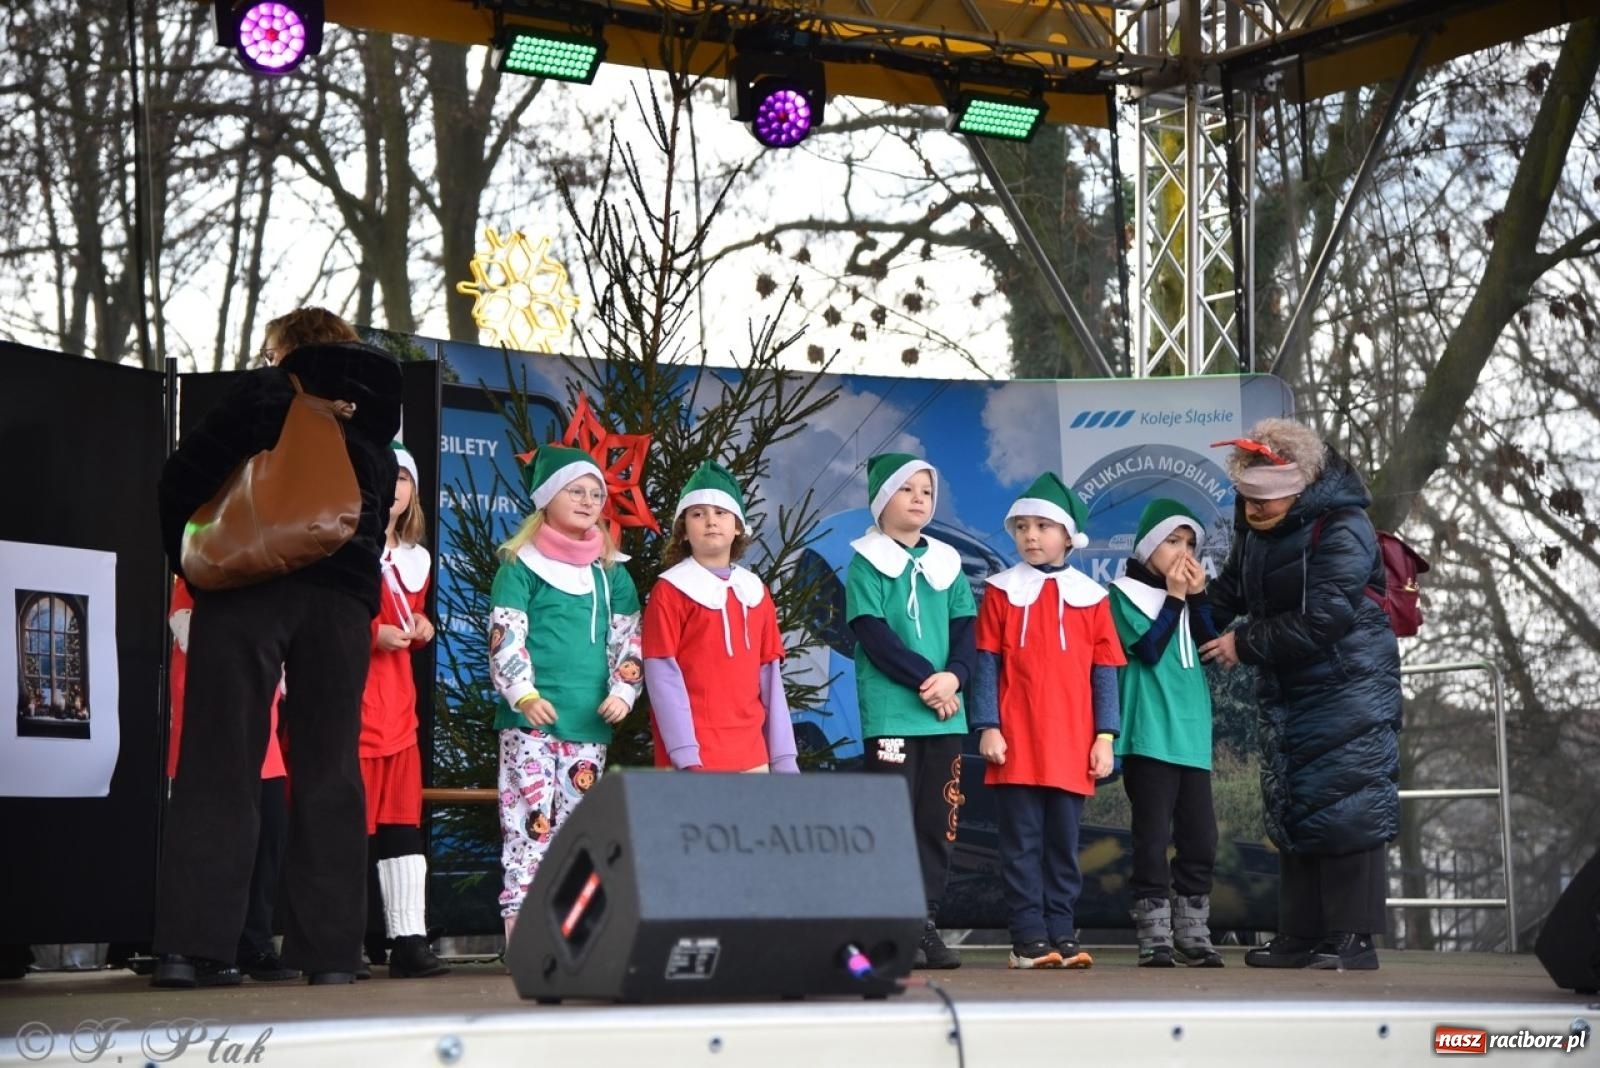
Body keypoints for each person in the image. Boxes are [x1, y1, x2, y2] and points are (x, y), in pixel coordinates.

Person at [153, 307, 402, 987]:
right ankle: (332, 956)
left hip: (247, 589)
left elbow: (183, 476)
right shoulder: (372, 426)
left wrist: (194, 560)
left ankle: (192, 948)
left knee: (219, 761)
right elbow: (373, 515)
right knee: (330, 769)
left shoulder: (265, 397)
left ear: (288, 351)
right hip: (343, 602)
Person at [1200, 419, 1401, 972]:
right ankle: (1301, 933)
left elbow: (1327, 616)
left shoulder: (1344, 526)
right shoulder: (1256, 530)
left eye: (1265, 501)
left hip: (1349, 684)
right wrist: (1185, 611)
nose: (1253, 512)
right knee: (1298, 801)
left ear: (1300, 485)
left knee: (1348, 802)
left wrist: (1244, 643)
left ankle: (1352, 938)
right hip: (1292, 687)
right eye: (1247, 500)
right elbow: (1230, 593)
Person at [488, 445, 643, 942]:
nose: (587, 500)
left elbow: (629, 641)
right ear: (548, 497)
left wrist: (623, 688)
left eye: (596, 493)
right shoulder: (519, 564)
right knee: (530, 824)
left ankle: (572, 936)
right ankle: (523, 934)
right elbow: (505, 634)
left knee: (578, 830)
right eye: (576, 490)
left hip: (588, 726)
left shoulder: (613, 573)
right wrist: (525, 695)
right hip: (529, 725)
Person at [970, 473, 1125, 969]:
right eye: (1022, 527)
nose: (1030, 536)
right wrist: (988, 725)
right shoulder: (1000, 592)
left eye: (1042, 526)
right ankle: (1027, 937)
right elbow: (987, 663)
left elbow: (1104, 673)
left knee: (1063, 844)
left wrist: (1105, 737)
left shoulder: (1093, 598)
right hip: (1017, 742)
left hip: (1071, 745)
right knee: (1021, 844)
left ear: (1067, 535)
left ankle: (1062, 929)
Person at [845, 453, 976, 969]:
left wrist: (956, 679)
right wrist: (931, 681)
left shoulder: (948, 562)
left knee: (936, 819)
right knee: (891, 818)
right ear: (882, 500)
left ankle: (923, 921)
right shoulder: (866, 561)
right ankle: (886, 925)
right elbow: (874, 635)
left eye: (926, 489)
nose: (920, 498)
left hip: (945, 715)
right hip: (894, 715)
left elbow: (967, 630)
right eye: (907, 489)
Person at [1108, 499, 1224, 968]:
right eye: (1172, 541)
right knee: (1152, 836)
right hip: (1149, 731)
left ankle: (1194, 932)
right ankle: (1155, 934)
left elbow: (1210, 646)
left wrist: (1195, 598)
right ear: (1149, 545)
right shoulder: (1121, 594)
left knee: (1201, 837)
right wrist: (1174, 598)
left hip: (1191, 733)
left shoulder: (1189, 594)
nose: (1183, 552)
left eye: (1190, 544)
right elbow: (1149, 650)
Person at [167, 578, 299, 983]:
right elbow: (187, 627)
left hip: (261, 713)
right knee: (216, 831)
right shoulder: (207, 558)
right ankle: (204, 946)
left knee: (270, 829)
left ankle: (252, 942)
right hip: (213, 708)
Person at [358, 442, 448, 978]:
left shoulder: (417, 559)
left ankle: (408, 941)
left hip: (399, 713)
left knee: (401, 828)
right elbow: (326, 624)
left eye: (404, 479)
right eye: (385, 476)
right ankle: (345, 935)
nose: (395, 489)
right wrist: (374, 633)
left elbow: (410, 618)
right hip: (352, 709)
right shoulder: (343, 547)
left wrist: (420, 628)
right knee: (350, 828)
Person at [643, 461, 798, 773]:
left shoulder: (755, 592)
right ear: (683, 530)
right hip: (692, 759)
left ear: (738, 526)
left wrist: (783, 758)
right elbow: (662, 678)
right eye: (698, 514)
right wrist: (685, 756)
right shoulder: (670, 591)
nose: (710, 521)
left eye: (721, 513)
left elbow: (770, 681)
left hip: (752, 756)